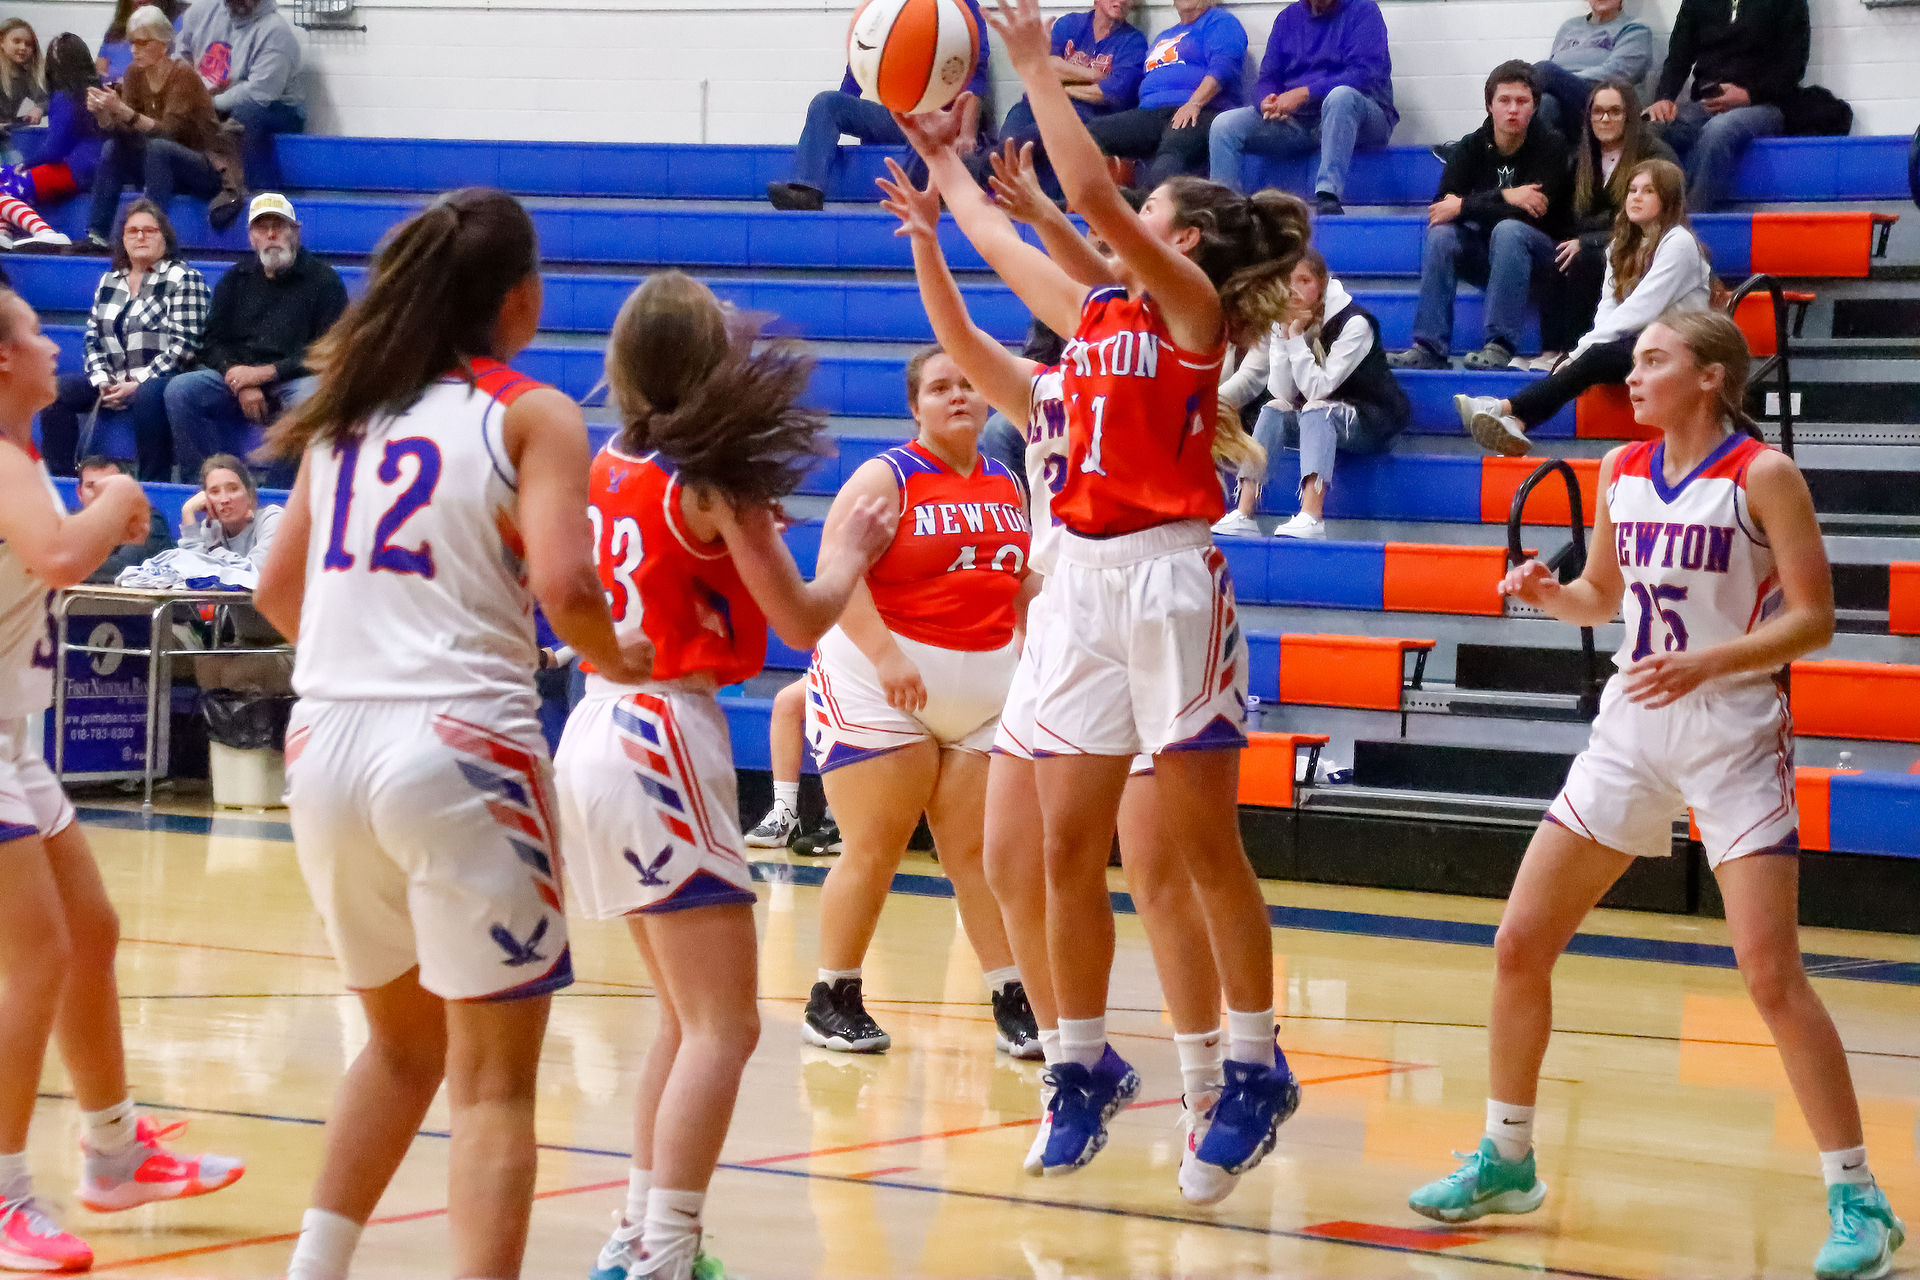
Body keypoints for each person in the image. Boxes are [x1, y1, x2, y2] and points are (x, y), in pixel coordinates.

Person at [1409, 309, 1907, 1280]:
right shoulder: (1620, 469)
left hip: (1732, 735)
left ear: (1711, 375)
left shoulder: (1763, 475)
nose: (1631, 376)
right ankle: (1507, 1156)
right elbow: (1603, 596)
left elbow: (1816, 619)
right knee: (1519, 942)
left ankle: (1860, 1197)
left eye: (1652, 359)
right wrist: (1549, 597)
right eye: (1632, 361)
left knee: (1770, 974)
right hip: (1632, 730)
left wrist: (1709, 661)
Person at [900, 0, 1307, 1184]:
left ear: (1184, 240)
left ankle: (1251, 1062)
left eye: (1149, 210)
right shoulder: (1093, 314)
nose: (1126, 212)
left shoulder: (1188, 312)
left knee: (1201, 844)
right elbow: (999, 239)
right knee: (1063, 847)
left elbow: (1090, 198)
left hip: (1166, 578)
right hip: (1077, 583)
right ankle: (1078, 1063)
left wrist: (1034, 64)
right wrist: (943, 164)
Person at [252, 187, 655, 1280]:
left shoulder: (347, 415)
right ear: (520, 299)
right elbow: (568, 588)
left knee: (398, 1047)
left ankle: (313, 1269)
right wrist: (615, 656)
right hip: (462, 739)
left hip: (324, 740)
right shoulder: (532, 412)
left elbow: (276, 590)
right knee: (492, 1088)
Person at [556, 271, 894, 1280]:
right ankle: (663, 1248)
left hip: (596, 722)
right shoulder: (712, 478)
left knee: (685, 1016)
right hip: (661, 728)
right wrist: (849, 552)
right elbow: (803, 619)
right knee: (728, 1025)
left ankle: (641, 1233)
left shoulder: (613, 457)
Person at [0, 285, 243, 1274]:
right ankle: (6, 1191)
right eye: (31, 331)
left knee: (89, 932)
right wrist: (113, 503)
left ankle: (113, 1151)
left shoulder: (19, 458)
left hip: (13, 736)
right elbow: (60, 556)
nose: (52, 343)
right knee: (36, 957)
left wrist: (106, 511)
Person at [801, 345, 1039, 1059]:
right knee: (877, 845)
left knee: (977, 851)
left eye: (967, 383)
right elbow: (835, 570)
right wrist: (885, 655)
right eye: (940, 387)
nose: (957, 395)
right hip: (879, 682)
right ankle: (832, 995)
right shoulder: (889, 476)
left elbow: (1014, 579)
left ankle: (1012, 994)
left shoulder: (1007, 480)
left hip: (984, 685)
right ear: (915, 407)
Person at [1455, 159, 1709, 456]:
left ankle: (1503, 408)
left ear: (1668, 199)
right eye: (1632, 190)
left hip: (1682, 348)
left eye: (1648, 191)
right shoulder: (1621, 243)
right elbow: (1609, 305)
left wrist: (1579, 352)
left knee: (1594, 356)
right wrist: (1585, 348)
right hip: (1642, 344)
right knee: (1595, 354)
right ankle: (1516, 421)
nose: (1636, 197)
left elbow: (1641, 309)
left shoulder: (1679, 243)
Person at [1388, 60, 1572, 372]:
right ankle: (1429, 347)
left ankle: (1499, 346)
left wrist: (1465, 205)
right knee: (1442, 235)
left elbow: (1535, 211)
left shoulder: (1551, 146)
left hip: (1544, 260)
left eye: (1522, 101)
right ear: (1489, 105)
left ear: (1535, 106)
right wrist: (1508, 196)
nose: (1512, 110)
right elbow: (1441, 210)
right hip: (1491, 257)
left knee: (1509, 230)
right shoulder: (1470, 146)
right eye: (1504, 100)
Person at [1213, 247, 1409, 537]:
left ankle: (1312, 515)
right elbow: (1281, 393)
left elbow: (1318, 390)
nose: (1294, 290)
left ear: (1322, 285)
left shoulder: (1355, 323)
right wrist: (1284, 334)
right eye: (1287, 282)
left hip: (1371, 419)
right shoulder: (1288, 322)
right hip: (1318, 419)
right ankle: (1244, 512)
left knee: (1317, 409)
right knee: (1273, 409)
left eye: (1304, 281)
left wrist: (1294, 339)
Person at [166, 193, 347, 487]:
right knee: (181, 391)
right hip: (239, 378)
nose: (271, 234)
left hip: (295, 379)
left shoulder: (325, 282)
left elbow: (329, 350)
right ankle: (208, 485)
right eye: (263, 227)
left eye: (279, 226)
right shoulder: (235, 279)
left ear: (296, 232)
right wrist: (239, 379)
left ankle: (277, 494)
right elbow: (211, 343)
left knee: (311, 396)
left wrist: (265, 374)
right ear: (252, 237)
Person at [35, 200, 209, 480]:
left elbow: (185, 345)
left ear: (165, 238)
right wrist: (101, 380)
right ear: (123, 240)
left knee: (148, 394)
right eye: (133, 231)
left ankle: (153, 482)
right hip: (113, 381)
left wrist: (136, 382)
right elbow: (92, 339)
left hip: (162, 379)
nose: (141, 237)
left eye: (149, 231)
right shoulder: (110, 281)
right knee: (53, 392)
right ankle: (63, 480)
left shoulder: (184, 278)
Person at [764, 0, 990, 212]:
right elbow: (861, 62)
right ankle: (805, 190)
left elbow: (977, 72)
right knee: (827, 103)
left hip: (941, 121)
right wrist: (845, 112)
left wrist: (967, 133)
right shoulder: (885, 6)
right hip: (900, 117)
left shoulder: (961, 5)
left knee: (927, 136)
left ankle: (922, 201)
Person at [1206, 0, 1396, 216]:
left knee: (1340, 96)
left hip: (1360, 116)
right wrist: (1267, 101)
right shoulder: (1287, 18)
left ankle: (1327, 197)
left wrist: (1305, 94)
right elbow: (1267, 77)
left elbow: (1363, 74)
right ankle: (1226, 214)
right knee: (1224, 125)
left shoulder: (1364, 11)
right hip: (1298, 121)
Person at [83, 5, 242, 250]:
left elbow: (169, 132)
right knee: (112, 148)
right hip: (160, 166)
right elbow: (127, 130)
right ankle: (97, 235)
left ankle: (155, 236)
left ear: (163, 43)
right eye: (132, 43)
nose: (134, 50)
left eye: (142, 43)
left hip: (204, 166)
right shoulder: (134, 73)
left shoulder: (183, 75)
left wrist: (123, 111)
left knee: (158, 148)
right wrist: (104, 113)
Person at [1545, 79, 1675, 355]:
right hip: (1593, 242)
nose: (1605, 119)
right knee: (1553, 254)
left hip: (1642, 247)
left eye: (1615, 111)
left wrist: (1588, 240)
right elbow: (1569, 217)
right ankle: (1551, 352)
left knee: (1585, 258)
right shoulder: (1581, 158)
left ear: (1630, 117)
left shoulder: (1653, 155)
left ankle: (1576, 350)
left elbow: (1653, 221)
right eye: (1598, 112)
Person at [1647, 0, 1808, 213]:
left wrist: (1750, 95)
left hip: (1764, 104)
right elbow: (1678, 56)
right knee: (1649, 128)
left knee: (1718, 130)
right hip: (1706, 102)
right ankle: (1652, 212)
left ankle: (1691, 218)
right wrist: (1664, 97)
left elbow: (1793, 66)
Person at [1076, 0, 1246, 189]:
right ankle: (1096, 199)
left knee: (1170, 156)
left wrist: (1195, 102)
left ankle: (1148, 203)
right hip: (1151, 112)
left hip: (1200, 109)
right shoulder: (1164, 36)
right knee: (1090, 133)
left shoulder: (1221, 22)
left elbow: (1224, 67)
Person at [995, 0, 1147, 193]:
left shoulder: (1134, 42)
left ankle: (983, 167)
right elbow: (1045, 66)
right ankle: (996, 181)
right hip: (1039, 102)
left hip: (1086, 111)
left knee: (1039, 137)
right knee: (1012, 130)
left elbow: (1111, 93)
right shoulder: (1069, 24)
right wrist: (1094, 75)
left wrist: (1060, 87)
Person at [176, 0, 305, 191]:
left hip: (277, 108)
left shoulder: (276, 32)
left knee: (247, 116)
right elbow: (180, 56)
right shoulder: (200, 12)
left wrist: (206, 103)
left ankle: (262, 196)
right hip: (213, 99)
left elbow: (260, 92)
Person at [0, 33, 104, 250]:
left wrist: (27, 164)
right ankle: (3, 234)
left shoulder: (64, 96)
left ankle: (44, 232)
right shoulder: (99, 89)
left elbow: (55, 148)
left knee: (7, 185)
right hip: (94, 169)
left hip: (72, 170)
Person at [740, 678, 843, 854]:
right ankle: (784, 815)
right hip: (841, 670)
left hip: (873, 678)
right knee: (786, 701)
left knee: (849, 703)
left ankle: (844, 821)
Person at [1531, 0, 1651, 134]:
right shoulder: (1569, 27)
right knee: (1546, 104)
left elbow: (1620, 72)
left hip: (1603, 97)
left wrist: (1562, 79)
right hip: (1565, 102)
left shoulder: (1635, 29)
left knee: (1545, 71)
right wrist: (1559, 81)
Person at [77, 454, 173, 582]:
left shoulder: (148, 519)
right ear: (80, 493)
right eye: (91, 486)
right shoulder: (75, 523)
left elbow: (123, 566)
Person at [98, 0, 186, 82]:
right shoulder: (116, 30)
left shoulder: (179, 23)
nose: (133, 50)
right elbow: (100, 68)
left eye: (142, 43)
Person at [0, 20, 47, 160]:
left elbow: (45, 98)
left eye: (28, 44)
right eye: (16, 41)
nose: (23, 47)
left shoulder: (23, 75)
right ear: (2, 42)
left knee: (18, 160)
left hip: (5, 137)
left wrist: (39, 109)